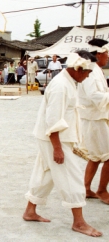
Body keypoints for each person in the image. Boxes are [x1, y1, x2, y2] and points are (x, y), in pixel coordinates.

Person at [23, 53, 102, 238]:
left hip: (54, 137)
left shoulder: (69, 82)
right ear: (78, 68)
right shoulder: (60, 85)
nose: (89, 75)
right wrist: (57, 148)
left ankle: (30, 211)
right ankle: (79, 222)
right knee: (71, 175)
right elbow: (53, 119)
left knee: (45, 173)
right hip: (54, 138)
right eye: (88, 72)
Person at [77, 39, 109, 204]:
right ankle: (102, 190)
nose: (108, 57)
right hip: (93, 119)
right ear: (100, 53)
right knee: (107, 157)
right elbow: (94, 96)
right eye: (107, 53)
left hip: (97, 117)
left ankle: (86, 189)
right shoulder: (91, 70)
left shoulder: (96, 69)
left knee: (96, 157)